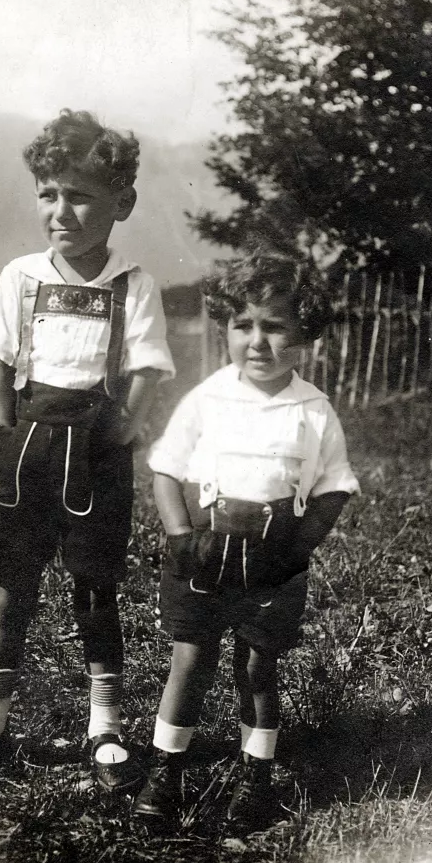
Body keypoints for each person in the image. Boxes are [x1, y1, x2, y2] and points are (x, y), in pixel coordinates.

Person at [0, 109, 174, 792]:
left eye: (80, 195)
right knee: (13, 589)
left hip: (95, 453)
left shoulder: (132, 283)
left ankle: (106, 727)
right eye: (48, 194)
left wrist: (124, 427)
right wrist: (3, 433)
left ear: (121, 202)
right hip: (28, 448)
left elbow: (150, 366)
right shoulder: (23, 277)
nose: (61, 211)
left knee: (94, 588)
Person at [133, 248, 359, 827]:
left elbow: (334, 488)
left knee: (259, 666)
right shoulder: (207, 398)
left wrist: (298, 549)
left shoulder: (313, 410)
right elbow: (164, 470)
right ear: (226, 328)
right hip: (205, 546)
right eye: (243, 325)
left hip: (274, 553)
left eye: (274, 326)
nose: (257, 341)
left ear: (303, 334)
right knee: (192, 657)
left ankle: (255, 772)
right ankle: (166, 769)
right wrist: (182, 537)